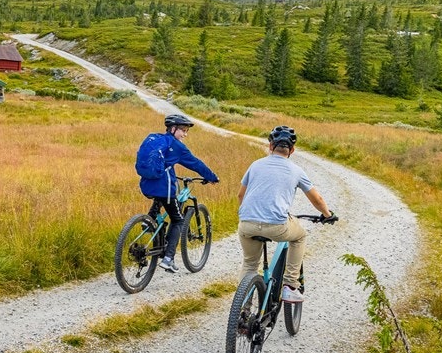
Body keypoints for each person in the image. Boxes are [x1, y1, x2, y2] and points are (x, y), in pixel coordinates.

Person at [236, 125, 335, 302]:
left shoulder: (255, 165)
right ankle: (290, 285)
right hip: (276, 226)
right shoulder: (296, 170)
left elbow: (240, 195)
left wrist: (249, 216)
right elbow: (317, 199)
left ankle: (242, 307)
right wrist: (327, 214)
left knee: (250, 264)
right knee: (300, 236)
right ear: (292, 150)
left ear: (270, 146)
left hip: (246, 224)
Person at [135, 112, 220, 273]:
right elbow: (196, 163)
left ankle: (149, 220)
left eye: (187, 131)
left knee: (161, 198)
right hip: (164, 188)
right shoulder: (177, 147)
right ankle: (168, 258)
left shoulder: (157, 139)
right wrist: (212, 177)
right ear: (173, 129)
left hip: (147, 184)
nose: (185, 134)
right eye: (183, 130)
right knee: (178, 220)